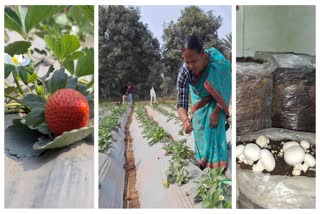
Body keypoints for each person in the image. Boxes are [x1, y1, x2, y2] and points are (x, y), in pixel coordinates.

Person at [176, 35, 231, 170]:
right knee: (199, 127)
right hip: (200, 99)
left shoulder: (217, 64)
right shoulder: (185, 72)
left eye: (193, 61)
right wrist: (185, 121)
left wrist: (217, 111)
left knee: (214, 125)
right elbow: (181, 104)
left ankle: (218, 163)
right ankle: (204, 161)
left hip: (218, 99)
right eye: (186, 62)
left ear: (202, 54)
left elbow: (225, 85)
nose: (190, 66)